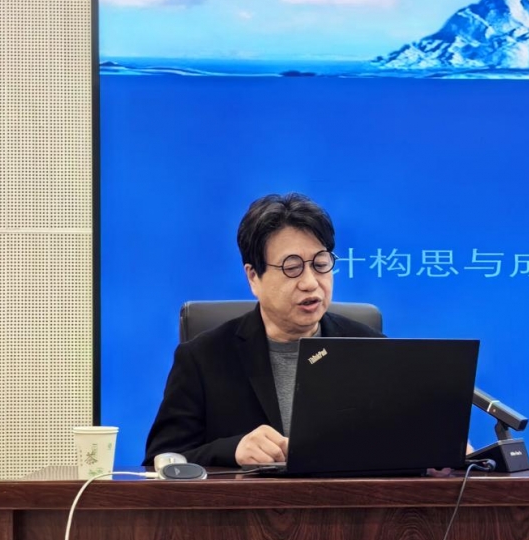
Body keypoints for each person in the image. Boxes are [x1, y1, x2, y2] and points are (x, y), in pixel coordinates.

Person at [143, 192, 384, 467]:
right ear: (253, 277)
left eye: (320, 264)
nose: (310, 283)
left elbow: (400, 446)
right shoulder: (203, 359)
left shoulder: (371, 349)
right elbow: (160, 461)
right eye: (292, 268)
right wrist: (232, 450)